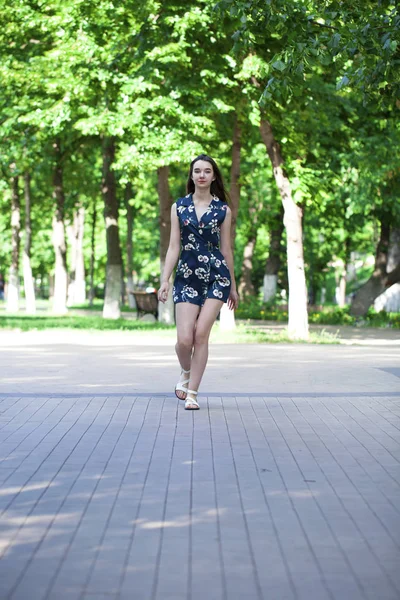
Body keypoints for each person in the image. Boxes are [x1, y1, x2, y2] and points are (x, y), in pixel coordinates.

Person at [158, 154, 239, 410]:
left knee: (200, 335)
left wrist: (233, 286)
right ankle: (185, 371)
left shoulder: (223, 210)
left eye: (207, 171)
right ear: (191, 176)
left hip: (217, 277)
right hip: (187, 276)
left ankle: (192, 393)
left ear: (214, 176)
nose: (202, 175)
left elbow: (227, 249)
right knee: (184, 339)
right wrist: (165, 280)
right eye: (197, 171)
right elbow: (173, 247)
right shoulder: (179, 207)